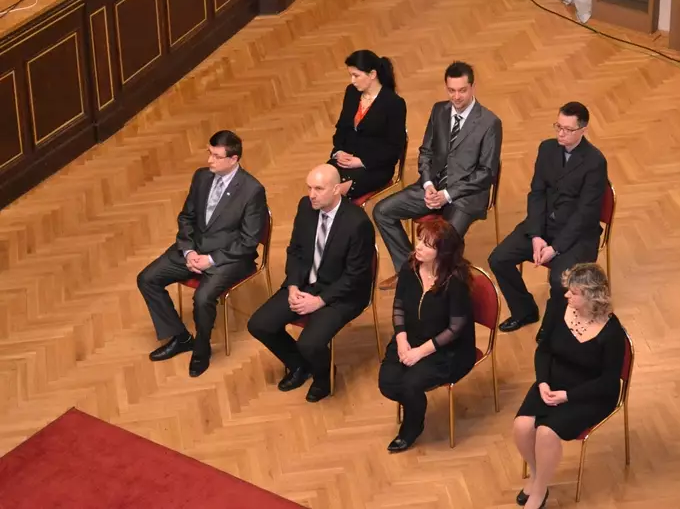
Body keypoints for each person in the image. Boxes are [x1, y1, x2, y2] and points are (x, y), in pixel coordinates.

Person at [137, 130, 267, 377]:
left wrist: (211, 259)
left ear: (234, 159)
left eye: (216, 156)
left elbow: (248, 241)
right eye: (209, 153)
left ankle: (201, 349)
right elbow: (186, 217)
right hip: (194, 249)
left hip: (228, 258)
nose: (209, 160)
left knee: (203, 298)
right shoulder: (201, 177)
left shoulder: (252, 190)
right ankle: (181, 337)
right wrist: (188, 251)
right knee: (147, 278)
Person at [247, 164, 375, 402]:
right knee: (259, 324)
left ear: (336, 189)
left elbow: (355, 276)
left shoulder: (358, 223)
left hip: (341, 294)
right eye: (309, 188)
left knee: (310, 343)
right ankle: (299, 365)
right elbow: (295, 250)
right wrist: (293, 286)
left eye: (318, 189)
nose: (312, 195)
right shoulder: (306, 207)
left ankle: (324, 378)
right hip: (305, 284)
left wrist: (320, 301)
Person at [373, 61, 501, 289]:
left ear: (473, 87)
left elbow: (486, 173)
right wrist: (428, 184)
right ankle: (409, 271)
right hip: (432, 188)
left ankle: (439, 283)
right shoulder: (438, 110)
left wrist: (447, 195)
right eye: (451, 90)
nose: (456, 96)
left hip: (465, 197)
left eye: (462, 90)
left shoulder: (490, 122)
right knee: (382, 211)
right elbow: (426, 152)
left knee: (443, 241)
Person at [512, 263, 626, 508]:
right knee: (521, 426)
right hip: (554, 382)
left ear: (592, 296)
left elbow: (608, 382)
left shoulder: (612, 333)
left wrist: (568, 396)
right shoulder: (558, 308)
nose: (566, 295)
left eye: (573, 292)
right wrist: (543, 381)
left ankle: (539, 491)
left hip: (590, 394)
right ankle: (537, 473)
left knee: (546, 433)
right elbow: (543, 350)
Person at [488, 101, 607, 332]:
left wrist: (556, 248)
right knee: (498, 258)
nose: (561, 133)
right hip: (543, 225)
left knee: (559, 281)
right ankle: (525, 311)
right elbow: (537, 193)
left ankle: (552, 327)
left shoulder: (595, 162)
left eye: (568, 129)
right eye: (558, 127)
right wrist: (535, 235)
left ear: (583, 130)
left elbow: (585, 214)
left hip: (577, 235)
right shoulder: (546, 149)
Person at [378, 218, 476, 453]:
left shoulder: (455, 281)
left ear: (443, 252)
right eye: (420, 239)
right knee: (387, 382)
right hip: (412, 337)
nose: (418, 246)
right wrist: (401, 339)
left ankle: (412, 427)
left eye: (427, 244)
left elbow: (455, 329)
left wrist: (419, 353)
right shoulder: (409, 268)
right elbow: (399, 305)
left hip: (447, 350)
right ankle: (415, 404)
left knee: (410, 384)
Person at [327, 50, 407, 199]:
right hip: (346, 159)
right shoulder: (352, 92)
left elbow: (394, 149)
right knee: (319, 183)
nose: (352, 80)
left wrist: (361, 162)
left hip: (374, 166)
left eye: (356, 75)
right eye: (350, 75)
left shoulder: (394, 103)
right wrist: (339, 152)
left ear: (372, 74)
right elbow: (342, 128)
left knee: (332, 194)